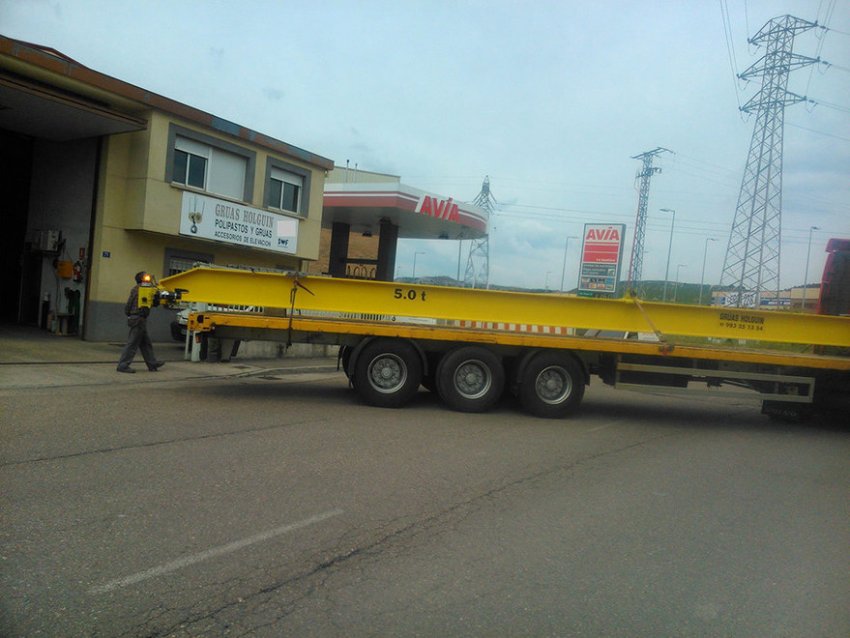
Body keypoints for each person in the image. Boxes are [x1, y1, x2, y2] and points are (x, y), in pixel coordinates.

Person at [117, 271, 165, 373]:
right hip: (139, 319)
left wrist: (130, 315)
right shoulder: (146, 289)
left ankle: (152, 363)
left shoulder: (135, 289)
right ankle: (123, 365)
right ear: (143, 279)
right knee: (132, 343)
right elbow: (154, 303)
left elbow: (128, 306)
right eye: (147, 276)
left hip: (136, 318)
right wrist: (157, 296)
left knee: (145, 343)